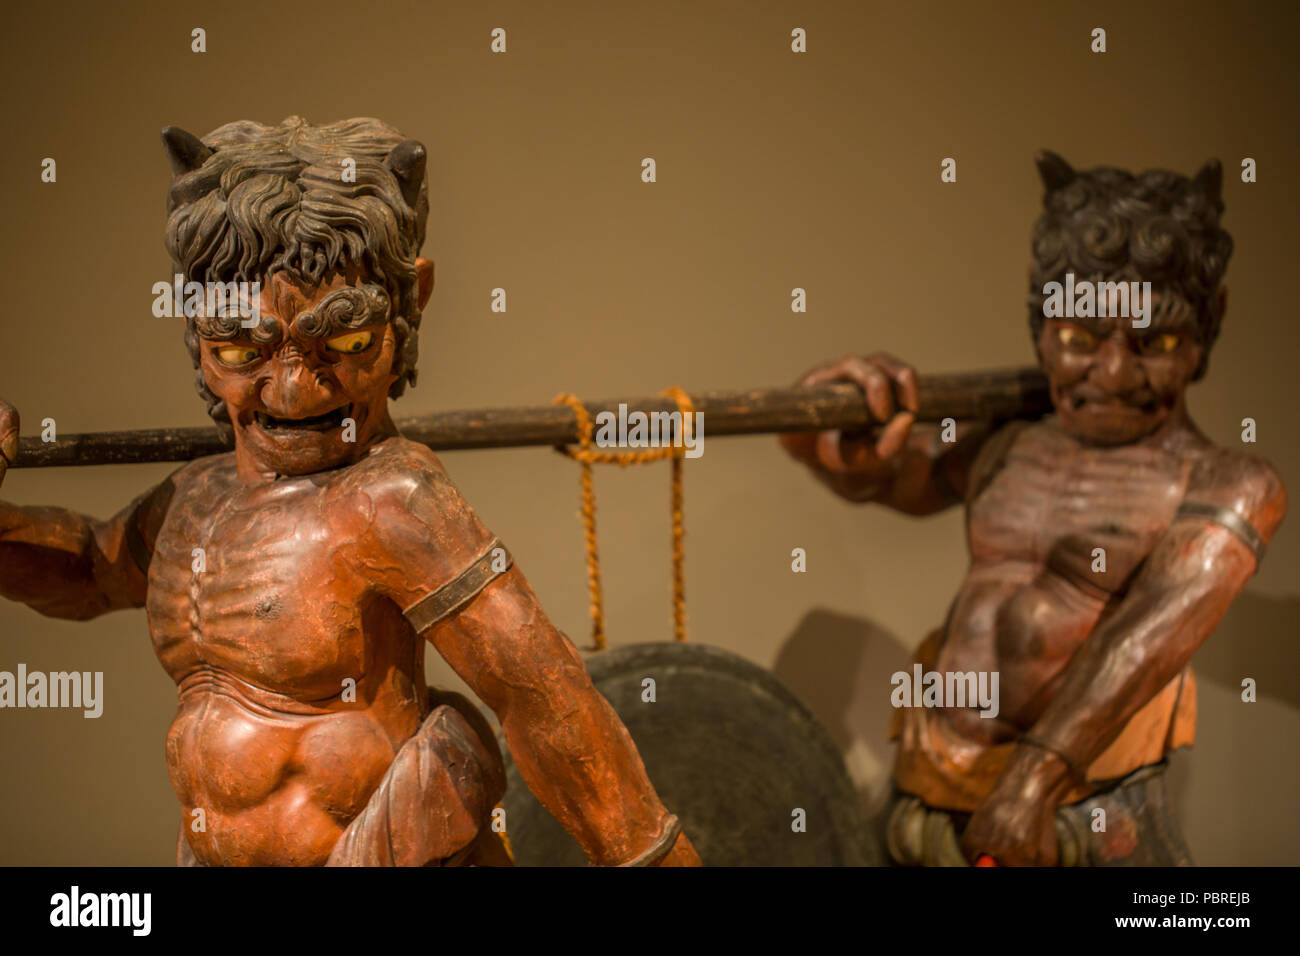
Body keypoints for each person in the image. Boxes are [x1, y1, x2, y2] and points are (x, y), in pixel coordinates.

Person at [0, 116, 699, 867]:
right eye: (242, 350)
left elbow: (541, 696)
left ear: (411, 304)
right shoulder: (192, 502)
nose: (296, 391)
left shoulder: (392, 502)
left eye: (347, 345)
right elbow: (88, 571)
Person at [780, 152, 1286, 866]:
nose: (1111, 375)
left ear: (1213, 324)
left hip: (1074, 819)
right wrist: (812, 419)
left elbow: (1144, 638)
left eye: (1155, 343)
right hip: (926, 793)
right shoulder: (1006, 445)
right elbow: (871, 476)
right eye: (1080, 339)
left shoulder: (1229, 484)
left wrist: (1033, 784)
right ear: (1039, 315)